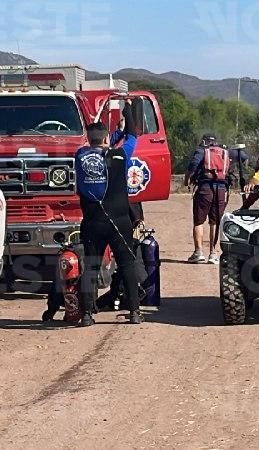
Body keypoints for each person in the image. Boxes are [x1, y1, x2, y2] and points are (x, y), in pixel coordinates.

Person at [74, 106, 142, 326]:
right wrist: (128, 114)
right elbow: (133, 135)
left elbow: (99, 143)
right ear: (106, 138)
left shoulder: (80, 155)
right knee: (127, 264)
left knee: (91, 266)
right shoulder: (120, 155)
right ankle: (134, 312)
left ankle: (86, 315)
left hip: (93, 221)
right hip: (119, 220)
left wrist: (114, 134)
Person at [184, 133, 231, 264]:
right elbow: (241, 158)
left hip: (205, 188)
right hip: (221, 189)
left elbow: (193, 165)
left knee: (199, 221)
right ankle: (213, 253)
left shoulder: (201, 151)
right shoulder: (224, 152)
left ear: (204, 141)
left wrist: (187, 179)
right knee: (214, 222)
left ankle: (198, 252)